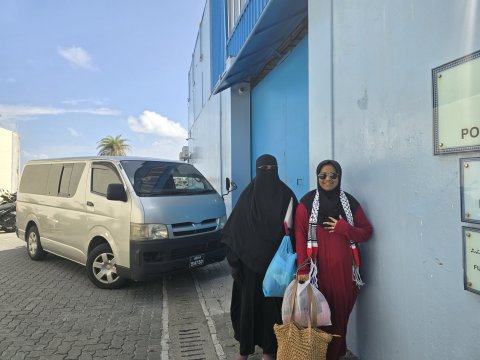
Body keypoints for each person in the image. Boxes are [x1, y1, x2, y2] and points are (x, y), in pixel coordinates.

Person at [221, 154, 298, 360]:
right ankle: (244, 351)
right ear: (257, 171)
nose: (268, 172)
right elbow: (234, 231)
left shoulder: (287, 195)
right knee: (247, 309)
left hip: (276, 269)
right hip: (249, 268)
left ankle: (269, 351)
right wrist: (235, 264)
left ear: (278, 169)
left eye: (272, 168)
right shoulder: (248, 197)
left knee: (271, 312)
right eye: (263, 168)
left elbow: (295, 230)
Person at [295, 159, 373, 360]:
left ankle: (335, 355)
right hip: (317, 276)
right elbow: (301, 237)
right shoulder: (306, 204)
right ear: (317, 177)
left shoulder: (350, 203)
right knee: (321, 321)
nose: (328, 179)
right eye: (323, 175)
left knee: (340, 320)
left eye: (333, 175)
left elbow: (366, 232)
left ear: (339, 177)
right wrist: (303, 273)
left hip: (345, 275)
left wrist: (345, 229)